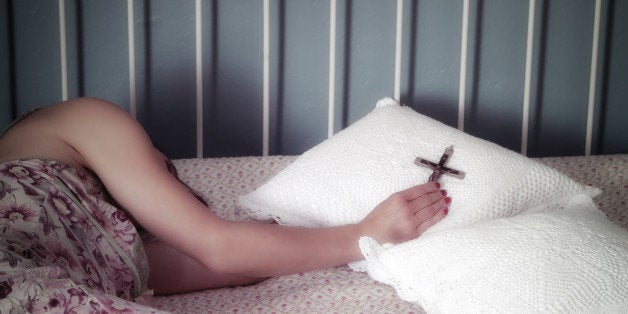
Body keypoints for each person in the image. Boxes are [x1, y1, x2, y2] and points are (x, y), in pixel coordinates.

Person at [0, 98, 449, 311]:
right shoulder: (83, 120)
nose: (167, 176)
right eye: (162, 171)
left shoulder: (112, 249)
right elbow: (219, 246)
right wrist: (365, 232)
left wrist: (302, 228)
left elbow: (225, 261)